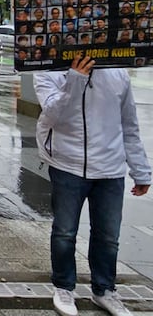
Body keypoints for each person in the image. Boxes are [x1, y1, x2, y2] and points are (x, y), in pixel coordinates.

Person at [34, 54, 151, 316]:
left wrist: (141, 170)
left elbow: (129, 125)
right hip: (67, 164)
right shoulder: (48, 70)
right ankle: (64, 286)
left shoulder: (117, 73)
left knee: (108, 236)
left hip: (110, 168)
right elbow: (52, 113)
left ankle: (105, 290)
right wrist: (75, 79)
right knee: (64, 232)